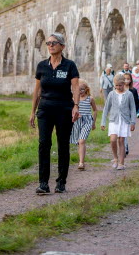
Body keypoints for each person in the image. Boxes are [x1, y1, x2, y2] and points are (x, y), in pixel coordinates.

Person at [30, 32, 79, 194]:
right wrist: (32, 112)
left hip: (64, 109)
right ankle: (43, 183)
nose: (50, 45)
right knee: (44, 144)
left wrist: (76, 106)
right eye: (48, 43)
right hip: (45, 109)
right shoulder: (42, 66)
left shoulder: (69, 65)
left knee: (63, 145)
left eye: (54, 43)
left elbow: (75, 87)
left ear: (62, 46)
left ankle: (61, 182)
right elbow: (37, 91)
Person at [101, 74, 136, 170]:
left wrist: (133, 122)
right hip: (114, 120)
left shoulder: (129, 94)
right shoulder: (111, 94)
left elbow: (133, 109)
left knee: (121, 141)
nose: (118, 87)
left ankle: (121, 163)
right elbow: (106, 108)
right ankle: (115, 158)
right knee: (113, 139)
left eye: (120, 85)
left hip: (124, 121)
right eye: (116, 85)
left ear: (124, 84)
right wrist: (103, 122)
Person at [71, 80, 97, 171]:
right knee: (79, 142)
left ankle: (81, 162)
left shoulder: (90, 99)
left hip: (87, 121)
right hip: (77, 122)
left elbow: (95, 110)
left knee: (82, 141)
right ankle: (81, 160)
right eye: (78, 90)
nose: (80, 92)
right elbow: (71, 110)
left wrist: (93, 122)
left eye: (82, 89)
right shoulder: (74, 99)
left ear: (86, 89)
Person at [123, 72, 139, 156]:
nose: (126, 80)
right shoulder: (119, 90)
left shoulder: (133, 90)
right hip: (121, 114)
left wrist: (133, 112)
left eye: (128, 79)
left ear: (131, 80)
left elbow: (137, 103)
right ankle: (124, 147)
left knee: (125, 131)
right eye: (124, 79)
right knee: (121, 131)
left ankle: (125, 147)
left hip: (129, 114)